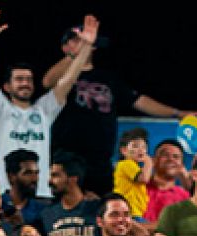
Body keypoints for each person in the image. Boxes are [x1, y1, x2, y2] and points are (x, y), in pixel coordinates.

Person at [42, 24, 188, 195]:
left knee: (102, 212)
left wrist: (177, 113)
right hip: (66, 159)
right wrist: (75, 54)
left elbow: (138, 100)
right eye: (78, 39)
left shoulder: (108, 78)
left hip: (99, 163)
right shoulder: (63, 77)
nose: (84, 43)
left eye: (88, 39)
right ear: (65, 46)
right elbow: (47, 82)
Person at [0, 11, 89, 197]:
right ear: (6, 86)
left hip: (42, 194)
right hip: (7, 192)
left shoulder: (45, 109)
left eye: (29, 79)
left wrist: (86, 46)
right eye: (19, 79)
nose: (25, 83)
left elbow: (68, 80)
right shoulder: (1, 109)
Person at [111, 128, 153, 219]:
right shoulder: (126, 163)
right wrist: (149, 161)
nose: (140, 150)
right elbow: (144, 179)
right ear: (124, 150)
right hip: (130, 213)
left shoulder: (135, 167)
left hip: (135, 213)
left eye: (144, 147)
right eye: (135, 146)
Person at [145, 139, 190, 223]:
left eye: (176, 157)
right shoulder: (137, 189)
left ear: (181, 166)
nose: (171, 159)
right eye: (165, 155)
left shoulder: (186, 198)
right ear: (153, 161)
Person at [1, 150, 49, 226]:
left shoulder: (43, 211)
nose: (34, 179)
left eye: (36, 173)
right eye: (28, 173)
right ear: (11, 177)